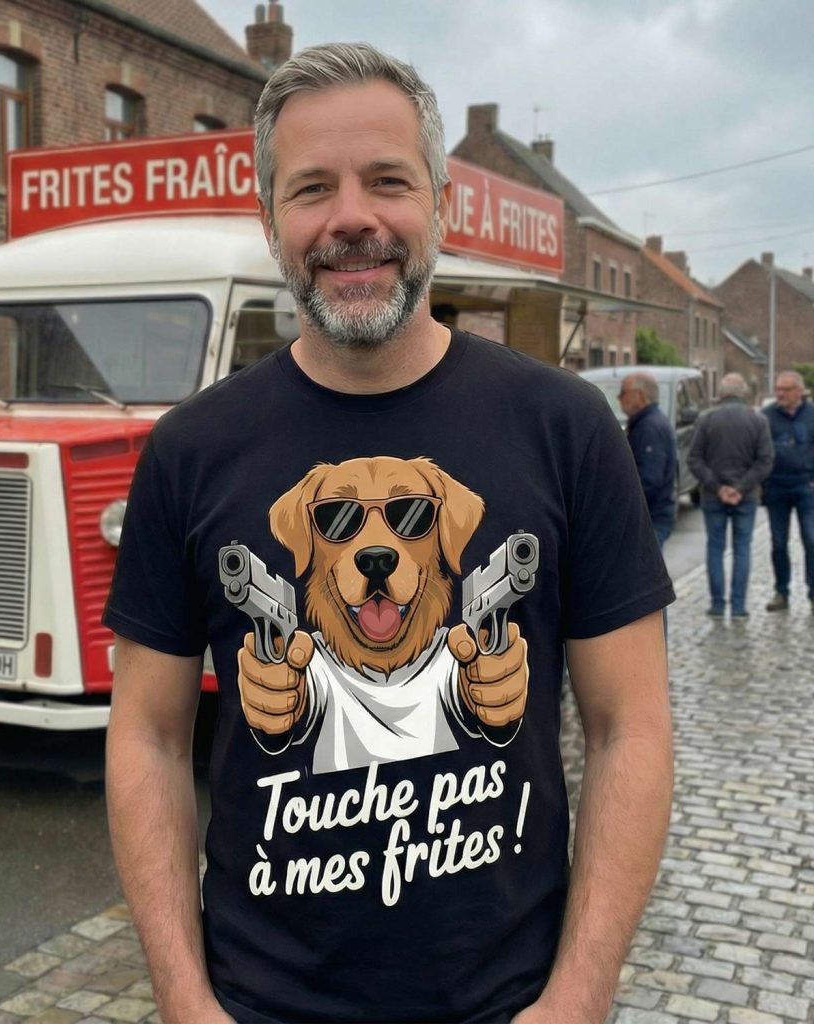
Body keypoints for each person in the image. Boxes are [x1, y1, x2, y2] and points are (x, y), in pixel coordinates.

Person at [104, 43, 674, 1024]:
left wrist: (578, 997)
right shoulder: (191, 450)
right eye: (312, 187)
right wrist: (184, 1001)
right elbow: (147, 735)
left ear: (440, 204)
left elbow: (631, 728)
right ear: (270, 218)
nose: (352, 218)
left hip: (507, 1001)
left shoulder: (564, 427)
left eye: (387, 181)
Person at [687, 373, 773, 619]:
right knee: (742, 548)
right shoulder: (758, 420)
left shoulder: (706, 419)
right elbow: (765, 461)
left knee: (715, 547)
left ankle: (716, 604)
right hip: (746, 497)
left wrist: (717, 486)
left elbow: (694, 458)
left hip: (714, 496)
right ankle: (738, 606)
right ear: (743, 393)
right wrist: (741, 487)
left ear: (721, 393)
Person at [761, 370, 814, 612]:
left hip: (806, 487)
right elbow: (758, 451)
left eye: (786, 389)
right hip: (776, 487)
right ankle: (782, 591)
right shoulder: (767, 416)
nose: (780, 393)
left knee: (811, 540)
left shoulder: (811, 415)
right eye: (778, 389)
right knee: (779, 543)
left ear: (799, 391)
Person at [618, 371, 678, 547]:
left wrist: (622, 507)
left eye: (623, 392)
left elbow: (649, 479)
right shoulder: (646, 423)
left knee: (645, 572)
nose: (619, 398)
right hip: (651, 516)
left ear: (639, 395)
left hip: (651, 518)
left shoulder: (650, 428)